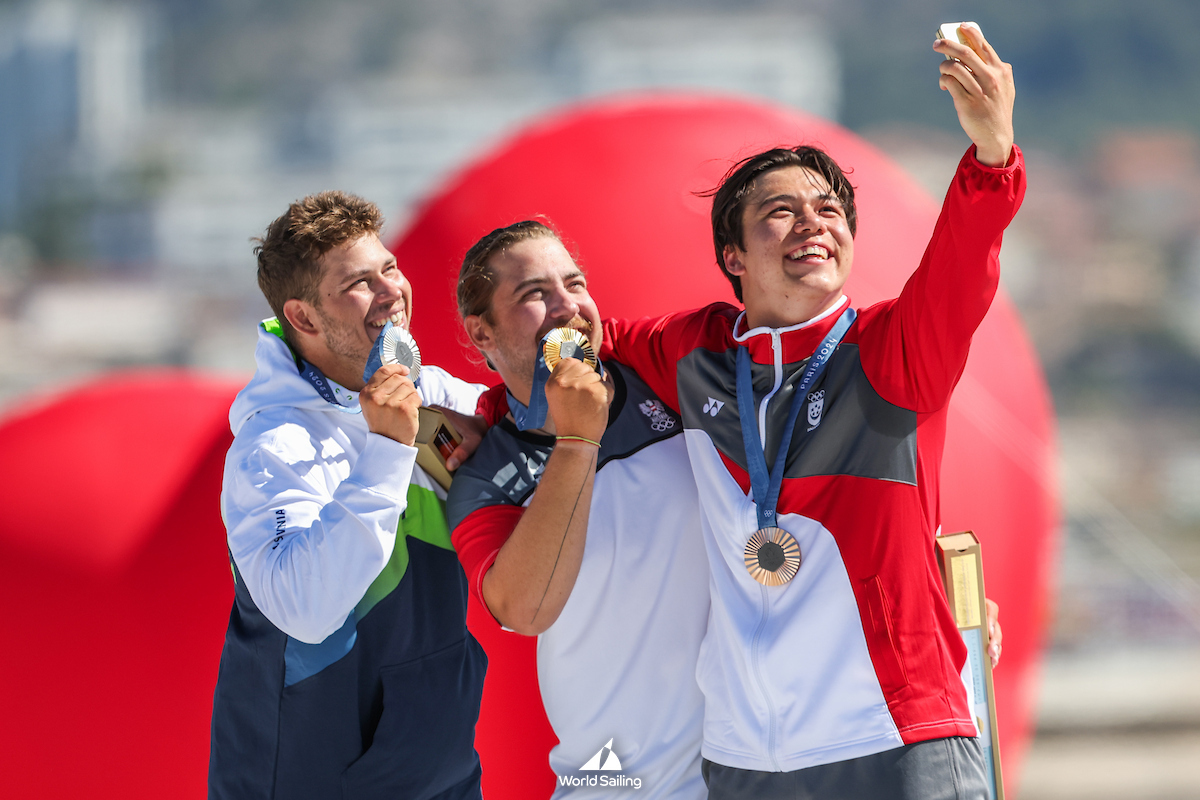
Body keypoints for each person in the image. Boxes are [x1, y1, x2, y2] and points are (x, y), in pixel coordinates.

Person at [599, 26, 1022, 798]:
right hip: (744, 755)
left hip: (894, 734)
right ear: (733, 255)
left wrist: (991, 157)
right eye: (781, 212)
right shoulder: (694, 351)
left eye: (829, 210)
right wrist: (482, 410)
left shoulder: (893, 350)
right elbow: (586, 341)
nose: (813, 223)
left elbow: (962, 263)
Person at [208, 191, 487, 800]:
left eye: (389, 268)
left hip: (438, 764)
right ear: (304, 318)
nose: (392, 291)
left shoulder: (436, 393)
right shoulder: (271, 445)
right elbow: (306, 610)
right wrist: (389, 449)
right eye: (360, 282)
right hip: (311, 775)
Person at [446, 220, 710, 799]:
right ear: (482, 331)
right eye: (534, 294)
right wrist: (576, 442)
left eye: (575, 283)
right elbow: (525, 610)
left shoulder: (660, 374)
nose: (567, 306)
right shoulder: (485, 473)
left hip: (748, 772)